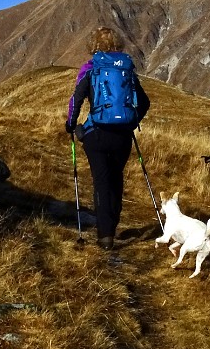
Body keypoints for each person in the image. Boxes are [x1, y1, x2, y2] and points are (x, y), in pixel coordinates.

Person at [65, 28, 151, 250]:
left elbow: (77, 99)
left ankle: (105, 236)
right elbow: (144, 102)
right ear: (118, 43)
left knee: (101, 182)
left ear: (93, 44)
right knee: (116, 179)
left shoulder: (90, 67)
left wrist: (72, 125)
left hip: (97, 134)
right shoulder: (127, 68)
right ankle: (112, 224)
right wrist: (131, 122)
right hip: (122, 136)